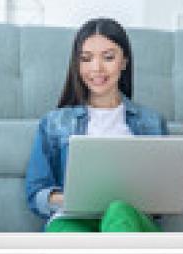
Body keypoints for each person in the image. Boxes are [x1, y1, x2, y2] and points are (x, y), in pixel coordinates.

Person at [25, 17, 169, 232]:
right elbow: (36, 194)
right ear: (77, 63)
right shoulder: (54, 123)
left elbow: (164, 196)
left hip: (130, 221)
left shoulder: (151, 122)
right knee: (61, 227)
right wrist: (72, 199)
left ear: (124, 62)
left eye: (108, 57)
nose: (96, 68)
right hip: (74, 217)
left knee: (119, 210)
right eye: (86, 58)